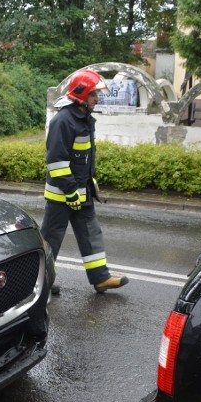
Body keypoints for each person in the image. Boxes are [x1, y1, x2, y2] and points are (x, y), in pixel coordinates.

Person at [41, 69, 128, 295]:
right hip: (62, 195)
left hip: (82, 192)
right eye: (93, 95)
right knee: (51, 240)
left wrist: (91, 183)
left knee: (91, 233)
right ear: (81, 95)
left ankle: (101, 278)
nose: (96, 99)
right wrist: (70, 191)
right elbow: (56, 161)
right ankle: (40, 282)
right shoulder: (63, 121)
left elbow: (85, 158)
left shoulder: (85, 119)